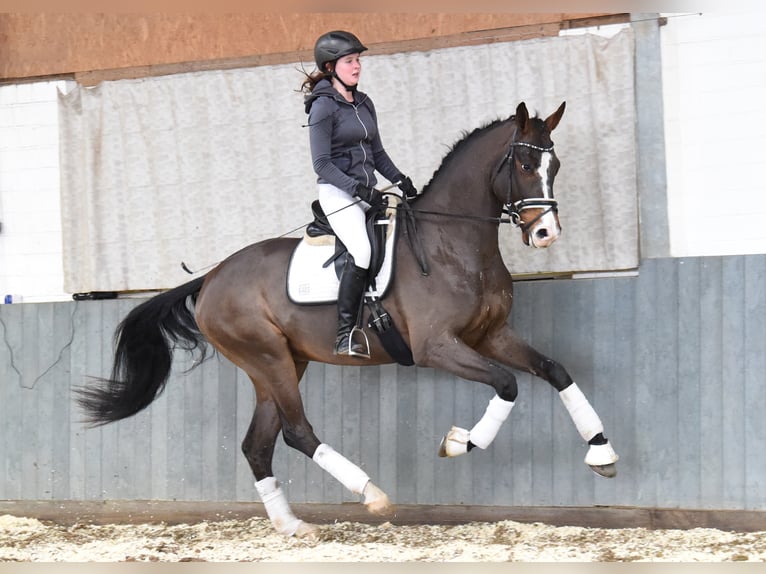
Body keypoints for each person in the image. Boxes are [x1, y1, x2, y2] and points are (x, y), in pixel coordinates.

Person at [301, 30, 417, 357]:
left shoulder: (364, 103)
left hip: (367, 192)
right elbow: (322, 164)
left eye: (358, 60)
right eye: (350, 61)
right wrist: (360, 190)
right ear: (330, 67)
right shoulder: (322, 108)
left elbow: (377, 153)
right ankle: (344, 334)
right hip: (338, 195)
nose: (357, 67)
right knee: (362, 251)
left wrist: (400, 179)